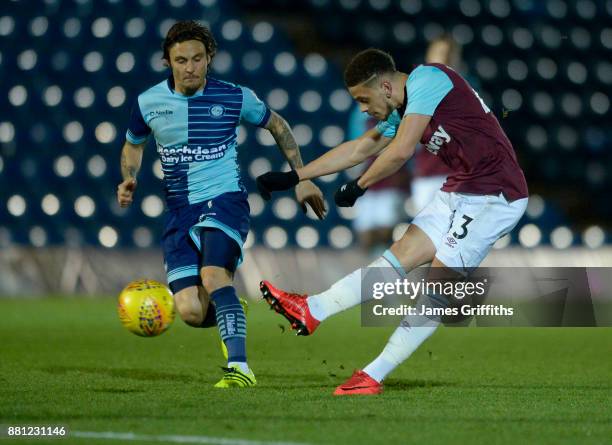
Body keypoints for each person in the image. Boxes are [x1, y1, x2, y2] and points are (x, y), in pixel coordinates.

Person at [256, 48, 528, 395]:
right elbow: (359, 149)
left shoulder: (428, 78)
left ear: (385, 86)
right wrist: (294, 177)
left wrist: (358, 185)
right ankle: (313, 309)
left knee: (437, 288)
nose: (363, 109)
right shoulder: (403, 106)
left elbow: (400, 151)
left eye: (363, 99)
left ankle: (373, 374)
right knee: (400, 254)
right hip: (460, 189)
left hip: (496, 196)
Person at [117, 20, 326, 388]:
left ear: (209, 58)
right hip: (179, 212)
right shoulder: (148, 102)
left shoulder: (234, 96)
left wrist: (302, 176)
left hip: (224, 200)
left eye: (198, 58)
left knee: (213, 276)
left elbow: (278, 125)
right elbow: (133, 144)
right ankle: (230, 307)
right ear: (168, 61)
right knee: (192, 311)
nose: (190, 67)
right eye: (181, 60)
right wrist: (129, 175)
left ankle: (240, 369)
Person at [347, 104, 411, 254]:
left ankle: (385, 264)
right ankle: (370, 267)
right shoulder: (360, 115)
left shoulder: (400, 114)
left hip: (391, 182)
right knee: (365, 231)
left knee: (386, 227)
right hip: (367, 183)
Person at [411, 35, 458, 212]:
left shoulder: (469, 90)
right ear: (429, 56)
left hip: (458, 176)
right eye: (440, 53)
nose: (445, 58)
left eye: (449, 54)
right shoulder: (416, 89)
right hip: (426, 176)